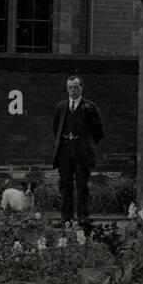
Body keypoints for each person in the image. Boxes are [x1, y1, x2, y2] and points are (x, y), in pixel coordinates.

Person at [51, 76, 104, 227]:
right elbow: (55, 128)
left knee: (82, 185)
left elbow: (99, 131)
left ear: (81, 88)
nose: (73, 91)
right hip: (65, 153)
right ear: (67, 89)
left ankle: (83, 217)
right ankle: (66, 218)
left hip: (82, 154)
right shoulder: (61, 107)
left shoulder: (90, 107)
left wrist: (87, 145)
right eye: (70, 88)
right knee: (65, 185)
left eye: (75, 87)